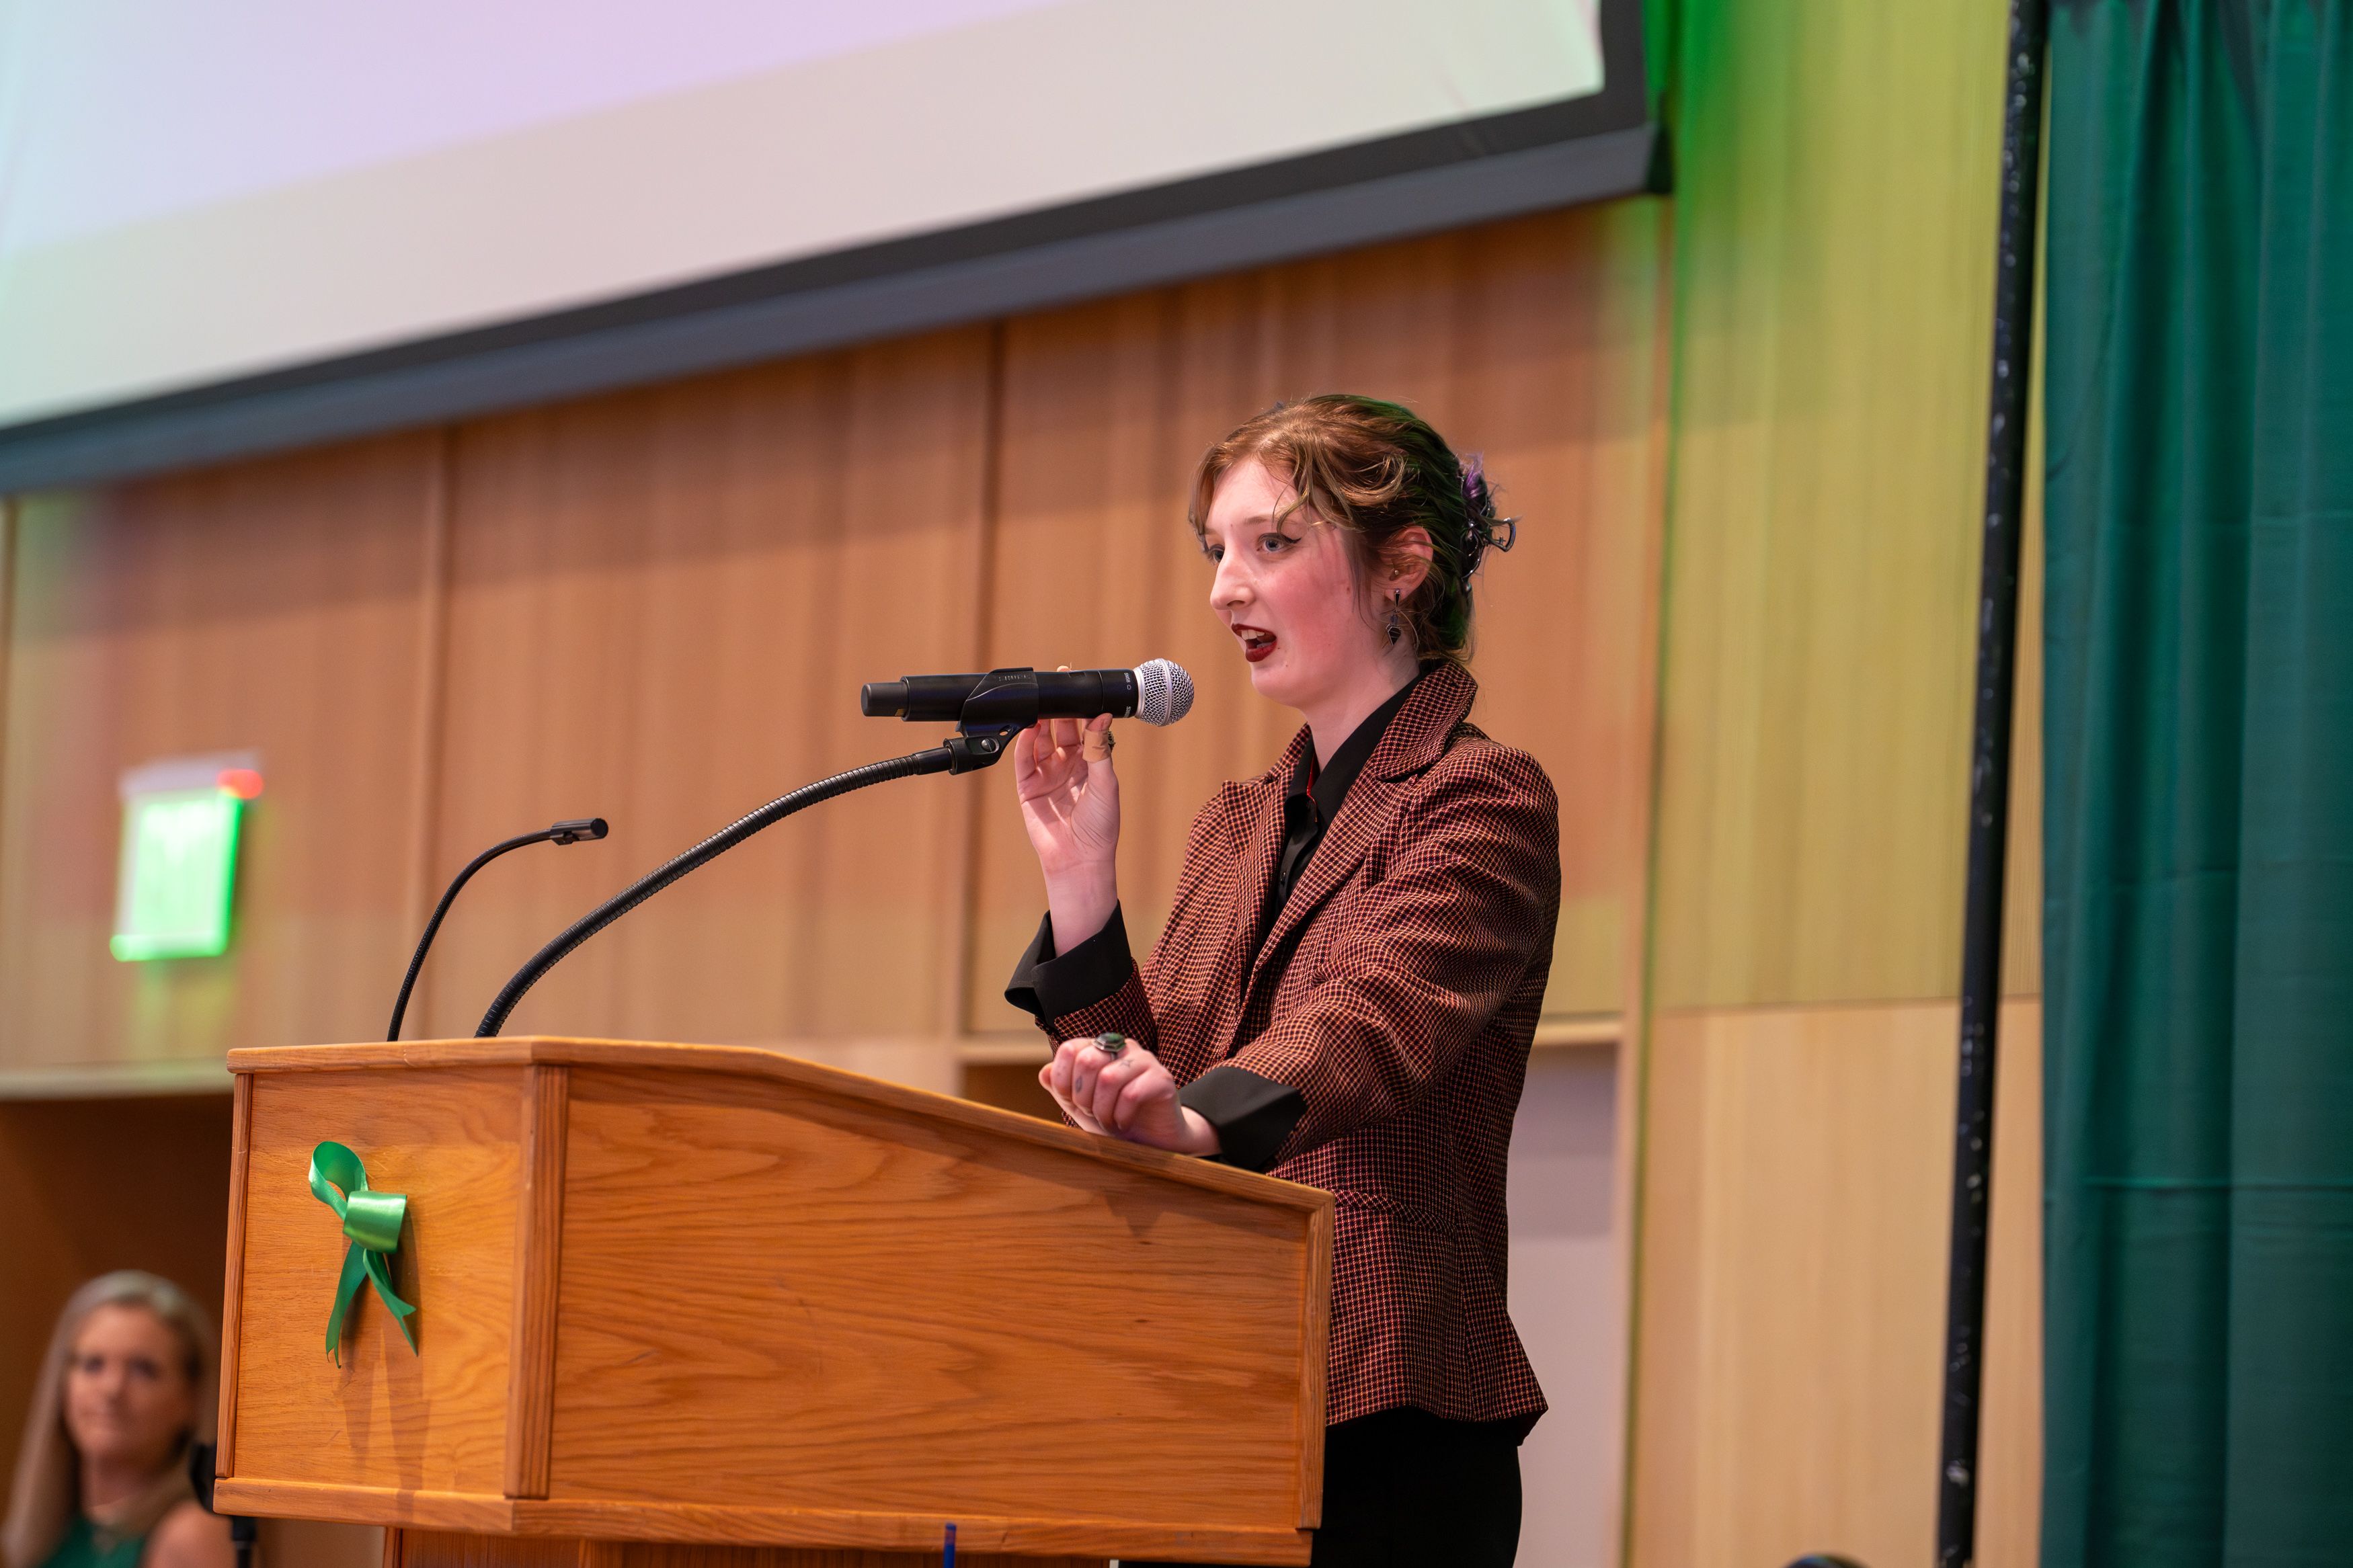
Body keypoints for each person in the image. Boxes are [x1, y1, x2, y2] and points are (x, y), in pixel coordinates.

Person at [1006, 395, 1558, 1566]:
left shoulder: (1481, 796)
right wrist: (1082, 885)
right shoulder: (1239, 819)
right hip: (1213, 1387)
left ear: (1404, 564)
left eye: (1271, 541)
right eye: (1217, 550)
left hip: (1386, 1405)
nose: (1223, 588)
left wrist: (1196, 1112)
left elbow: (1375, 1017)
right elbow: (1155, 1082)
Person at [1, 1274, 233, 1568]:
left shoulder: (192, 1535)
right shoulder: (53, 1528)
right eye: (93, 1364)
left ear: (190, 1400)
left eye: (143, 1370)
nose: (112, 1389)